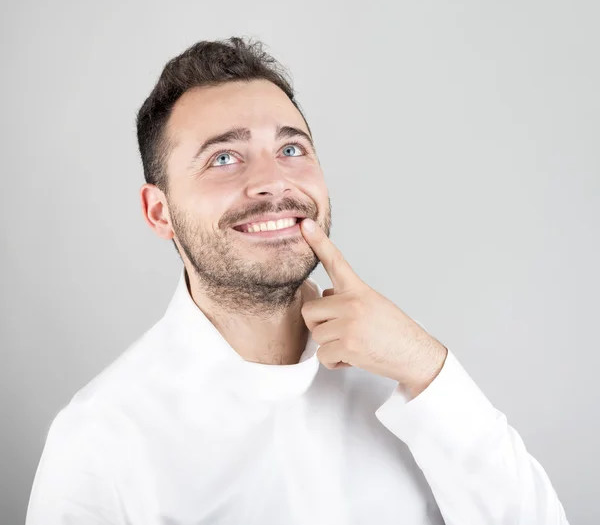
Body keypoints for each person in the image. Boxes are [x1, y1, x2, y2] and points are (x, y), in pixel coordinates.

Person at [26, 37, 570, 525]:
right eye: (223, 157)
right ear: (159, 211)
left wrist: (427, 366)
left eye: (291, 149)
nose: (272, 182)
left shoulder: (405, 370)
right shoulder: (99, 440)